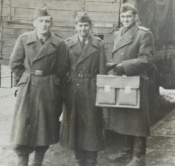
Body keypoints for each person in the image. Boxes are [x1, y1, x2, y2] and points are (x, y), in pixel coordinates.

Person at [9, 7, 68, 166]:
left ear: (51, 23)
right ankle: (22, 160)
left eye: (47, 21)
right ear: (34, 22)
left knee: (45, 129)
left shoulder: (59, 43)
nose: (44, 24)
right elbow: (15, 64)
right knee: (24, 127)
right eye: (41, 21)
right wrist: (24, 80)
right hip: (28, 87)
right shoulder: (24, 39)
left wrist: (54, 86)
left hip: (48, 89)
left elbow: (62, 69)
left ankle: (38, 162)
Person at [106, 3, 156, 166]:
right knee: (124, 116)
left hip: (136, 81)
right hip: (122, 79)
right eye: (123, 17)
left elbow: (146, 60)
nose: (126, 20)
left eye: (129, 17)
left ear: (135, 17)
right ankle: (127, 152)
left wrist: (124, 66)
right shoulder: (118, 33)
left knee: (138, 120)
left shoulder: (144, 34)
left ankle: (139, 156)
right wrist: (113, 66)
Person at [59, 11, 107, 166]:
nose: (83, 29)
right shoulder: (68, 44)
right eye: (80, 25)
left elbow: (102, 72)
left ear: (90, 27)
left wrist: (101, 93)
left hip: (91, 88)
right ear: (75, 27)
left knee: (92, 125)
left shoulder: (99, 44)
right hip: (73, 89)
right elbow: (63, 69)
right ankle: (79, 159)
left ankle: (92, 160)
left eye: (86, 25)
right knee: (74, 126)